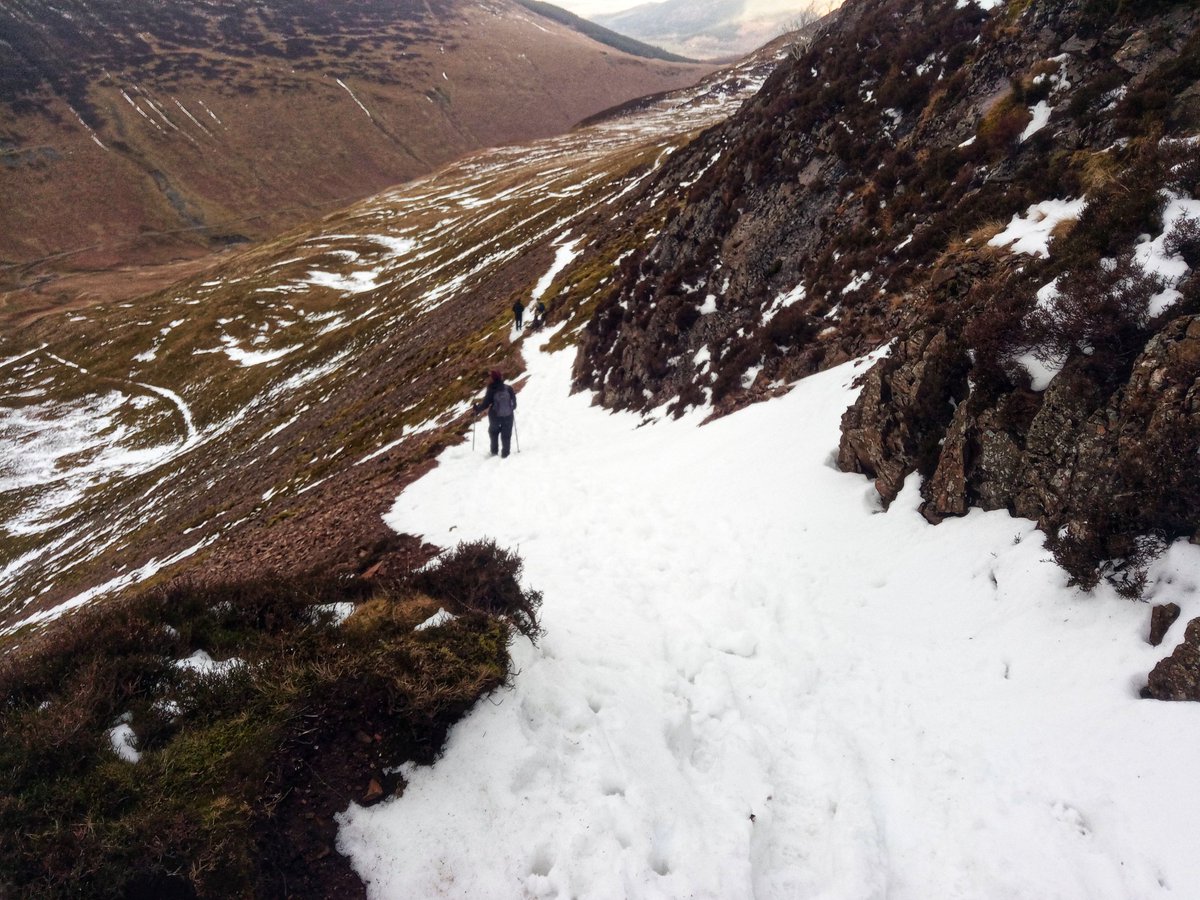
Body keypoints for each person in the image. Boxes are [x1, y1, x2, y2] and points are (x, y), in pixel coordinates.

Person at [473, 370, 517, 457]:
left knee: (493, 432)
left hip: (495, 416)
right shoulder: (509, 388)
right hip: (508, 416)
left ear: (492, 379)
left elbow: (485, 404)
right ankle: (505, 454)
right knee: (506, 435)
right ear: (501, 378)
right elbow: (514, 405)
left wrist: (477, 409)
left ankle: (494, 452)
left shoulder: (491, 390)